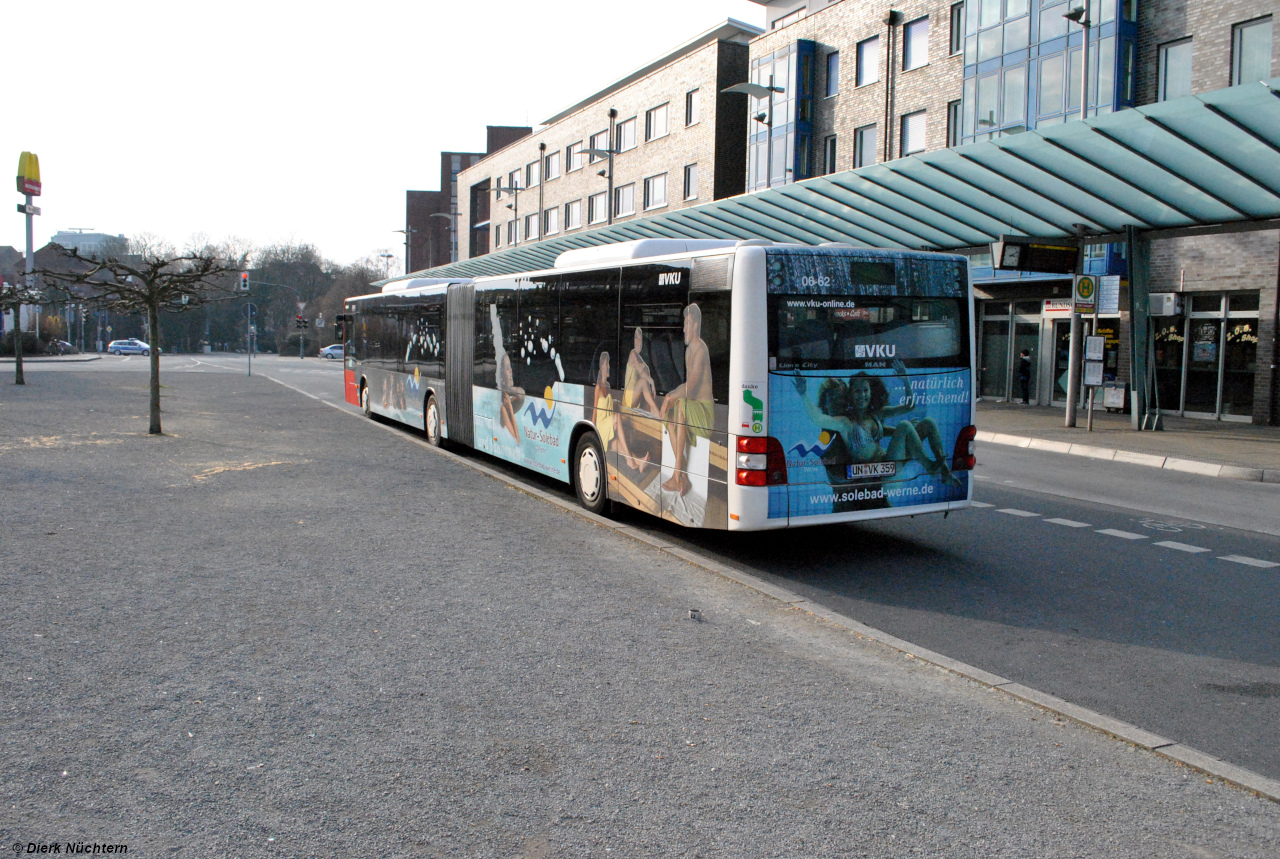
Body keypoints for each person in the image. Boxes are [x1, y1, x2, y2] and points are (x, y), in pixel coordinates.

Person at [792, 359, 960, 487]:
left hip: (890, 459)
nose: (862, 395)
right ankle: (930, 467)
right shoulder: (846, 422)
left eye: (865, 390)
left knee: (928, 422)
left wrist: (905, 380)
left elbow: (910, 406)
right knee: (905, 426)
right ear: (850, 395)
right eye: (857, 391)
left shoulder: (876, 414)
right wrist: (803, 394)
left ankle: (945, 472)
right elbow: (818, 419)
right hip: (881, 472)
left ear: (871, 392)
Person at [660, 304, 714, 497]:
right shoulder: (689, 349)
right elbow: (685, 387)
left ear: (696, 326)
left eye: (687, 324)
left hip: (705, 414)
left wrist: (670, 397)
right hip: (694, 408)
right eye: (684, 323)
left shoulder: (700, 349)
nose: (684, 328)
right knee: (671, 412)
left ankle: (677, 476)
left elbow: (691, 387)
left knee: (679, 403)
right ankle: (682, 477)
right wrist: (669, 398)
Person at [594, 352, 648, 471]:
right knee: (617, 417)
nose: (609, 366)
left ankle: (638, 462)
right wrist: (593, 433)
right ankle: (631, 460)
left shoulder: (607, 385)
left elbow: (610, 403)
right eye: (606, 363)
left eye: (609, 363)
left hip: (608, 426)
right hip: (602, 426)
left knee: (622, 446)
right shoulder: (598, 387)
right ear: (601, 366)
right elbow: (594, 411)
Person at [623, 327, 661, 415]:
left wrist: (651, 382)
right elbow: (641, 371)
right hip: (628, 397)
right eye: (638, 339)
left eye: (641, 340)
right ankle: (656, 411)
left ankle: (653, 411)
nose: (640, 342)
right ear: (634, 340)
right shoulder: (632, 354)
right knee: (644, 381)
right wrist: (652, 381)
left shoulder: (640, 358)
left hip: (636, 396)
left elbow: (646, 371)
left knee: (646, 384)